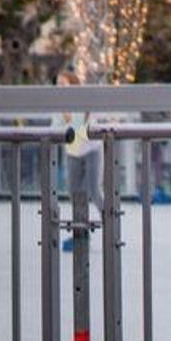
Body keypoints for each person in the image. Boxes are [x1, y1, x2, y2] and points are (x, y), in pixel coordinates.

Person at [57, 70, 100, 253]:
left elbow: (81, 128)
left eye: (63, 83)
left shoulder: (83, 101)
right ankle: (80, 232)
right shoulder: (59, 105)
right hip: (73, 152)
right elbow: (60, 129)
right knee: (74, 192)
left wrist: (70, 124)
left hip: (90, 149)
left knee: (94, 190)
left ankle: (111, 224)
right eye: (58, 84)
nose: (59, 87)